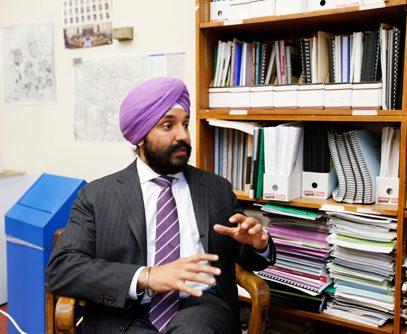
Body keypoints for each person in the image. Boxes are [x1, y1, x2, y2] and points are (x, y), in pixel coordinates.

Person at [46, 77, 276, 334]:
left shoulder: (215, 188)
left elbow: (246, 255)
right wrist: (147, 276)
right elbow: (62, 269)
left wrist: (257, 244)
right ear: (140, 137)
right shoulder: (97, 195)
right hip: (123, 311)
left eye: (185, 124)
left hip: (200, 306)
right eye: (168, 125)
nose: (184, 136)